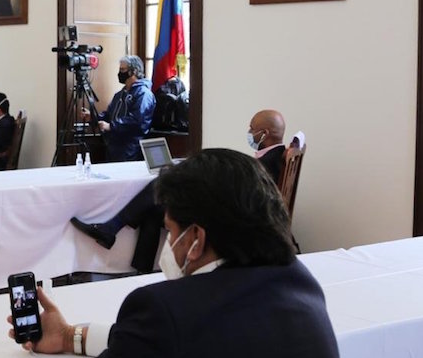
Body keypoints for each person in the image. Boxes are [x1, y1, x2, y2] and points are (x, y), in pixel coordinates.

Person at [5, 149, 349, 358]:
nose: (168, 243)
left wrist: (131, 340)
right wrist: (71, 337)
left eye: (170, 231)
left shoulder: (166, 313)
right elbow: (196, 347)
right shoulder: (301, 285)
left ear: (196, 239)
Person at [71, 108, 287, 272]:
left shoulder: (271, 161)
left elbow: (247, 194)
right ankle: (141, 270)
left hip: (226, 211)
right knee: (154, 211)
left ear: (264, 133)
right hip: (227, 204)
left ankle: (112, 228)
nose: (249, 132)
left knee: (163, 180)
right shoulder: (273, 157)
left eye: (252, 128)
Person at [81, 55, 154, 162]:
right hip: (113, 146)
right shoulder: (120, 94)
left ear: (133, 71)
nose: (119, 73)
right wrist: (93, 117)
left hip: (130, 148)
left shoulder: (143, 94)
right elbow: (109, 115)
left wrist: (111, 126)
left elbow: (137, 121)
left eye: (122, 70)